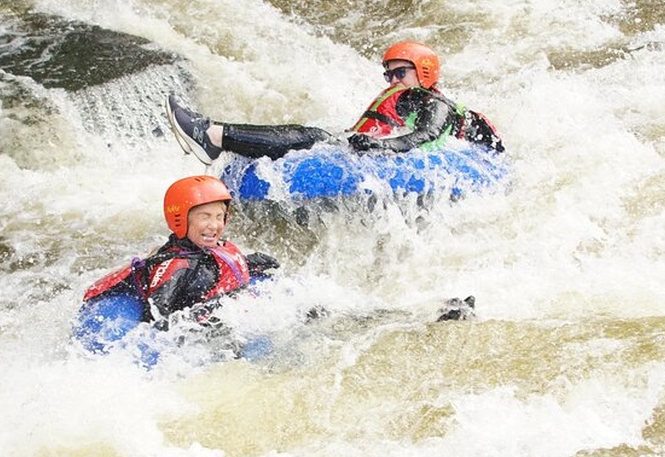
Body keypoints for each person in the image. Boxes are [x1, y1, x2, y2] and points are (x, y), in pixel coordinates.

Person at [166, 41, 503, 165]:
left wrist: (379, 146)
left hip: (396, 158)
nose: (393, 82)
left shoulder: (434, 103)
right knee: (311, 134)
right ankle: (217, 137)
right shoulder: (410, 101)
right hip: (385, 155)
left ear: (424, 72)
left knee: (312, 137)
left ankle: (211, 135)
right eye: (389, 76)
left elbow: (424, 137)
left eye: (400, 73)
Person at [76, 175, 279, 342]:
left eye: (219, 217)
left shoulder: (212, 248)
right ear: (181, 219)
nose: (214, 225)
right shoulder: (176, 267)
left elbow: (217, 266)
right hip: (182, 314)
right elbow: (157, 316)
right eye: (205, 217)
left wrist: (249, 263)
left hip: (215, 302)